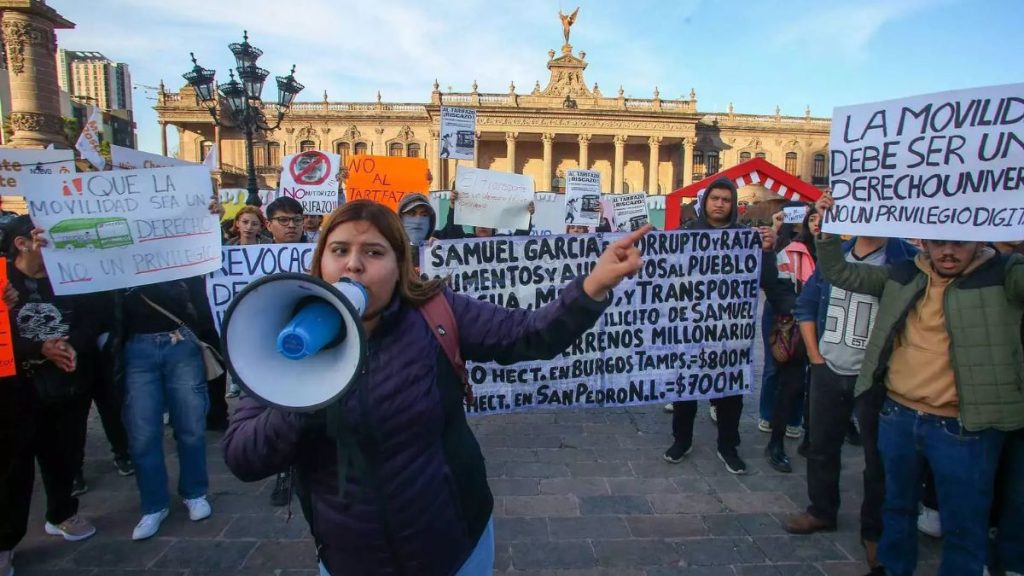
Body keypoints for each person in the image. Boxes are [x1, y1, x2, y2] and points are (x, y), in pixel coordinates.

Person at [224, 200, 649, 576]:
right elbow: (244, 457)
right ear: (321, 262)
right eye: (339, 251)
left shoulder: (435, 313)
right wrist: (302, 389)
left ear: (400, 266)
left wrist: (594, 284)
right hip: (349, 555)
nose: (353, 265)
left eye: (373, 252)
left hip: (453, 546)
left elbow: (529, 334)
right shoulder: (279, 338)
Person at [813, 192, 1024, 576]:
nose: (948, 251)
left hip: (965, 427)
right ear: (923, 242)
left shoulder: (1005, 275)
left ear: (980, 238)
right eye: (938, 242)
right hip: (898, 416)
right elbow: (843, 274)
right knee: (896, 509)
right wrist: (826, 232)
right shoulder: (905, 273)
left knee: (964, 525)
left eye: (959, 242)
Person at [782, 218, 916, 574]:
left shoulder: (907, 259)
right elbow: (807, 305)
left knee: (878, 459)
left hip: (876, 377)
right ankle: (821, 511)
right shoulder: (836, 254)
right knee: (822, 446)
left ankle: (874, 532)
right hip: (829, 368)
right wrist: (815, 357)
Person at [664, 177, 792, 475]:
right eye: (715, 198)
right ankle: (681, 440)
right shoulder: (686, 233)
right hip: (690, 327)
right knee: (685, 389)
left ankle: (728, 446)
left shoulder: (746, 237)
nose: (720, 203)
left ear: (733, 204)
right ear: (705, 202)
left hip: (729, 331)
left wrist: (767, 252)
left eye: (725, 199)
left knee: (729, 392)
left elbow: (766, 281)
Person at [0, 216, 102, 576]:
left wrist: (71, 345)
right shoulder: (4, 283)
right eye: (43, 237)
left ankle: (62, 514)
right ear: (21, 244)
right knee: (14, 467)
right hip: (16, 392)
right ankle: (6, 541)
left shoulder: (70, 277)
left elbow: (93, 321)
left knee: (65, 454)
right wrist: (38, 348)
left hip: (67, 385)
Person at [261, 196, 309, 505]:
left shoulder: (319, 252)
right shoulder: (250, 255)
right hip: (270, 344)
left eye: (296, 220)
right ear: (269, 225)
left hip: (308, 342)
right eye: (283, 221)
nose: (291, 226)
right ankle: (283, 470)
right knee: (277, 411)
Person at [435, 189, 534, 239]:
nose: (482, 225)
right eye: (479, 222)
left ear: (493, 227)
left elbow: (520, 239)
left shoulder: (502, 242)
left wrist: (526, 215)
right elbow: (453, 232)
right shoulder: (465, 240)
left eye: (487, 221)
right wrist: (453, 206)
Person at [398, 192, 436, 270]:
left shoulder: (435, 250)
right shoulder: (389, 252)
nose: (418, 220)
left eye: (424, 215)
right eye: (412, 214)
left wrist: (442, 251)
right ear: (401, 218)